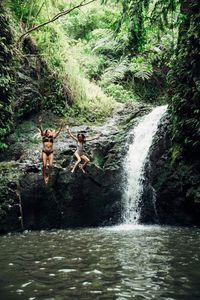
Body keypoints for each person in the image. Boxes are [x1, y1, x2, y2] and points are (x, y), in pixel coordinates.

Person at [38, 116, 63, 184]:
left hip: (51, 152)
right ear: (46, 133)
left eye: (50, 131)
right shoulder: (43, 136)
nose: (49, 132)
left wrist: (60, 127)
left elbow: (58, 132)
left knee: (51, 165)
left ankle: (48, 175)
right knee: (44, 165)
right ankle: (44, 175)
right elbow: (41, 129)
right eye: (48, 131)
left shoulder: (53, 137)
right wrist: (40, 123)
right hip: (44, 152)